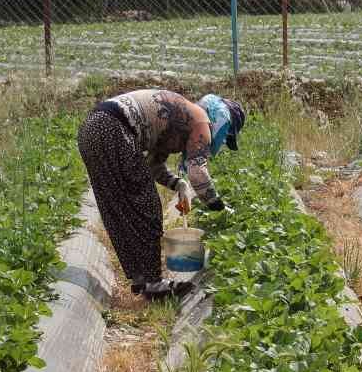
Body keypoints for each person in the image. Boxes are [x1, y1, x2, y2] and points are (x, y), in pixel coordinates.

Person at [77, 89, 246, 301]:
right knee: (148, 205)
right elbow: (198, 172)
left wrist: (177, 184)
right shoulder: (201, 122)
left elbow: (153, 165)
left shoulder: (180, 120)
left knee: (118, 208)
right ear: (223, 121)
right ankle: (153, 283)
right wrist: (219, 207)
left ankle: (142, 279)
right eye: (227, 135)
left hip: (91, 129)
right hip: (113, 128)